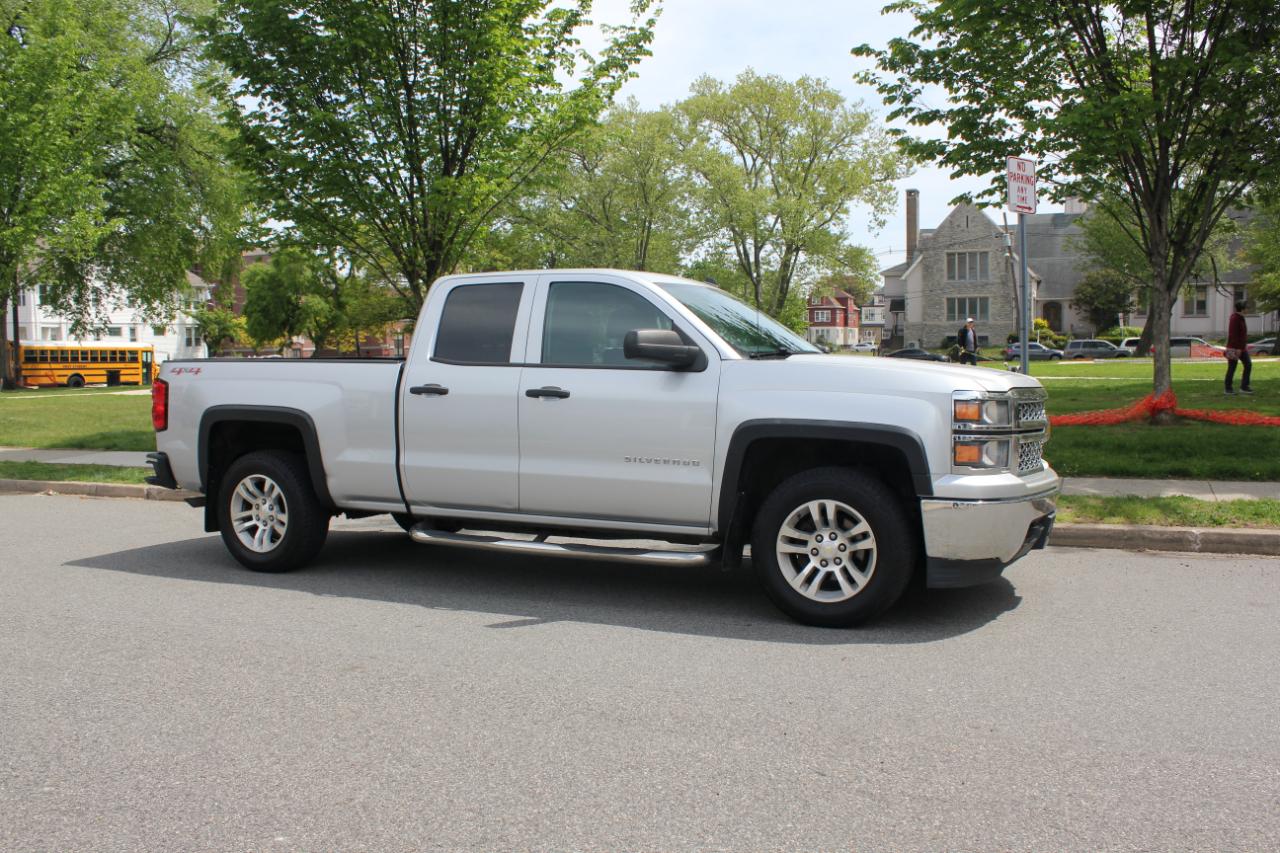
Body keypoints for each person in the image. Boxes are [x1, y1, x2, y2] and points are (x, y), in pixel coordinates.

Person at [1224, 300, 1253, 395]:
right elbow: (1233, 334)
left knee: (1248, 364)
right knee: (1232, 367)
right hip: (1234, 347)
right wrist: (1237, 348)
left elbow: (1242, 334)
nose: (1248, 309)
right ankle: (1228, 389)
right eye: (1247, 308)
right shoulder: (1235, 318)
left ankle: (1244, 387)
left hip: (1241, 347)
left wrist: (1242, 346)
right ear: (1242, 309)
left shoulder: (1241, 318)